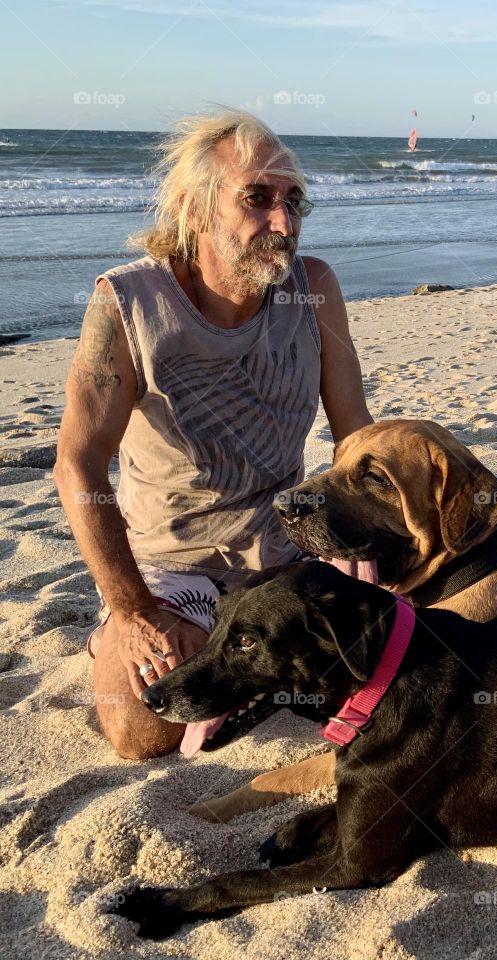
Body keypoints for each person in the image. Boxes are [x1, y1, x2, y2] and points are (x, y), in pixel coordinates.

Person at [54, 110, 372, 760]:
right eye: (257, 199)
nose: (283, 224)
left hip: (291, 553)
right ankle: (110, 633)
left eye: (293, 202)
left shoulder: (313, 288)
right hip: (170, 567)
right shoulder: (127, 304)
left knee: (439, 642)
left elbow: (355, 435)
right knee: (145, 730)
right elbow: (78, 467)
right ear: (192, 208)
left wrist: (365, 541)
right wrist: (136, 610)